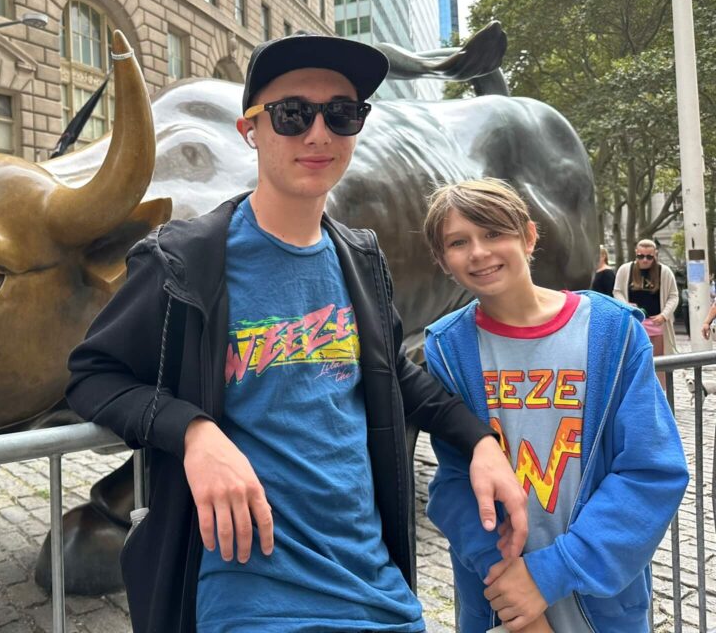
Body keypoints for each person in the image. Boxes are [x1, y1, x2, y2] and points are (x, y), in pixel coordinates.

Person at [66, 32, 529, 632]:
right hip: (252, 595)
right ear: (250, 131)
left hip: (376, 586)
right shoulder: (183, 259)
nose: (318, 134)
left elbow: (395, 373)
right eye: (292, 114)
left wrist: (481, 442)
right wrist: (195, 433)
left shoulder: (360, 258)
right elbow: (93, 374)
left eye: (341, 114)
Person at [421, 179, 688, 633]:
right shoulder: (447, 348)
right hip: (498, 603)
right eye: (458, 242)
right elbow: (452, 481)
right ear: (443, 260)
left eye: (493, 233)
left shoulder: (613, 332)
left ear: (528, 237)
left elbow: (651, 471)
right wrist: (511, 590)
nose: (479, 252)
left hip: (602, 603)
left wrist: (550, 575)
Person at [613, 239, 678, 386]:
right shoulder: (625, 270)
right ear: (636, 254)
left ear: (655, 255)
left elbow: (673, 296)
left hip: (657, 324)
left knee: (658, 362)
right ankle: (636, 390)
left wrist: (664, 315)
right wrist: (627, 306)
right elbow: (617, 291)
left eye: (649, 257)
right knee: (633, 359)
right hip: (635, 323)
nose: (645, 260)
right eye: (641, 256)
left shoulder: (664, 272)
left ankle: (660, 391)